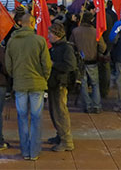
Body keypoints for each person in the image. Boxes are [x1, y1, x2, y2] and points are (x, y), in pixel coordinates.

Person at [6, 14, 52, 161]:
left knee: (22, 117)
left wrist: (15, 75)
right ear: (32, 23)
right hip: (37, 83)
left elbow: (8, 65)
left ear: (21, 23)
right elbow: (46, 64)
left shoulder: (12, 41)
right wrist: (44, 77)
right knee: (36, 117)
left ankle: (25, 150)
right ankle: (34, 151)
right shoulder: (39, 40)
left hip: (19, 83)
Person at [70, 12, 107, 113]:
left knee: (83, 84)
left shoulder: (75, 31)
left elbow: (71, 46)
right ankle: (97, 106)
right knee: (95, 84)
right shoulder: (96, 32)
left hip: (80, 62)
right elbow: (103, 48)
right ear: (91, 20)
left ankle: (87, 106)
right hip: (92, 61)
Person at [46, 23, 75, 152]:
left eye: (50, 33)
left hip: (60, 84)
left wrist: (54, 64)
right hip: (54, 83)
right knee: (54, 111)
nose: (48, 36)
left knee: (60, 112)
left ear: (57, 35)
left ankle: (66, 140)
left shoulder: (65, 48)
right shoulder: (56, 47)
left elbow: (70, 65)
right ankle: (60, 135)